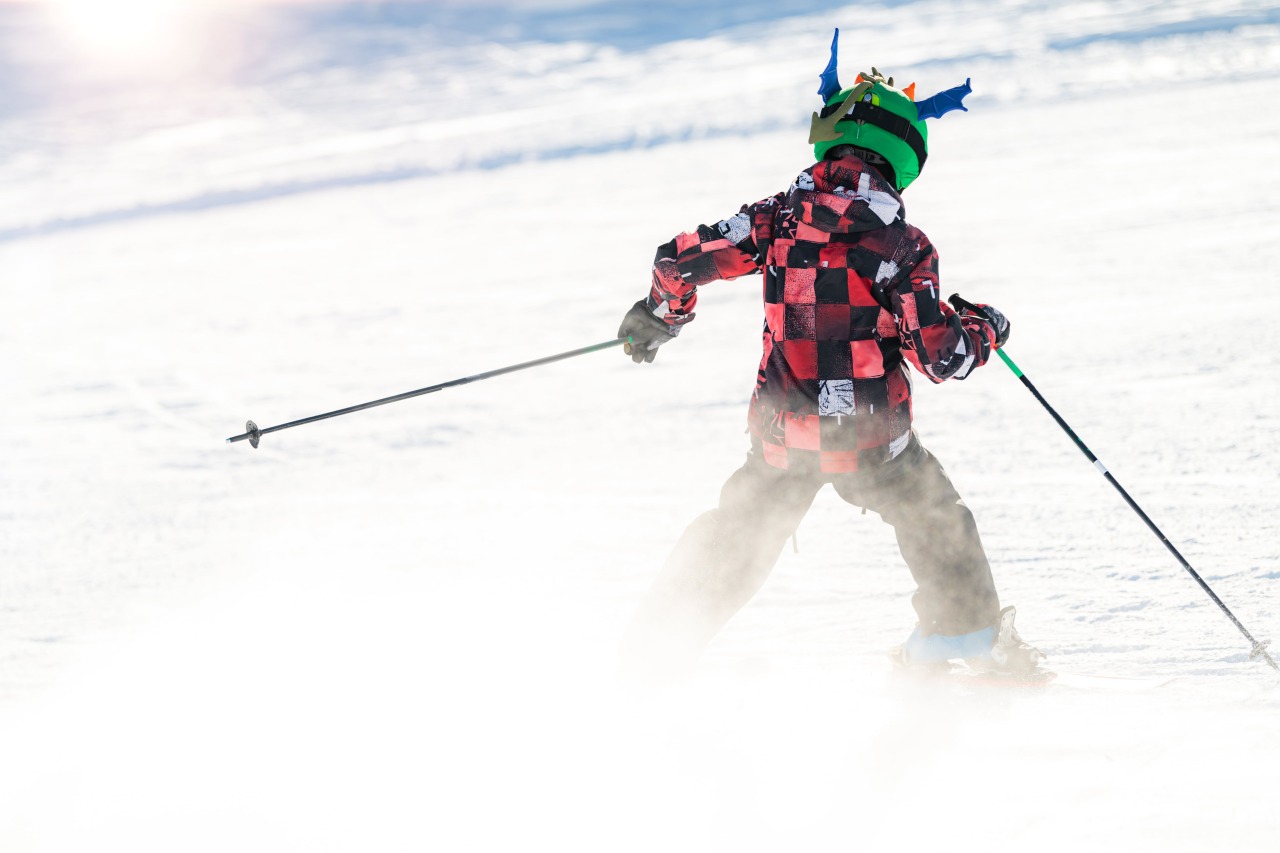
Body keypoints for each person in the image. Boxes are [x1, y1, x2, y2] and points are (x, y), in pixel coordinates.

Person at [616, 30, 1041, 680]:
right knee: (936, 520)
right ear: (904, 156)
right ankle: (964, 639)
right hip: (872, 441)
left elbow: (678, 261)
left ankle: (653, 650)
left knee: (738, 536)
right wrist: (985, 326)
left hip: (783, 437)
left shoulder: (775, 219)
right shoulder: (900, 246)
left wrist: (661, 314)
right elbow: (941, 355)